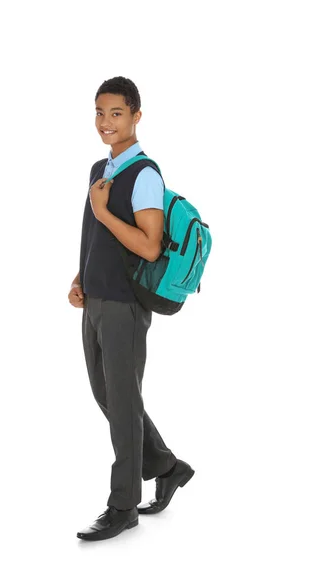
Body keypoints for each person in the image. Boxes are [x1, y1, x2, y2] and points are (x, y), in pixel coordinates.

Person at [68, 76, 195, 542]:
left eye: (116, 113)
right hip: (95, 299)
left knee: (122, 404)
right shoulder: (99, 170)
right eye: (100, 113)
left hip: (124, 305)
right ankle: (166, 465)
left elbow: (148, 246)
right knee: (108, 395)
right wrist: (81, 277)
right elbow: (95, 238)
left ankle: (122, 506)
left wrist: (103, 213)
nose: (106, 122)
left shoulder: (144, 175)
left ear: (136, 116)